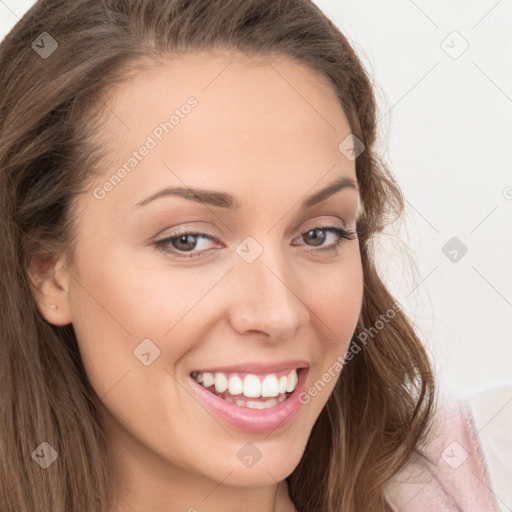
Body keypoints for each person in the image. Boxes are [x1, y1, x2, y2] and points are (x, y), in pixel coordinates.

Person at [0, 1, 501, 511]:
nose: (277, 313)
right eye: (188, 240)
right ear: (48, 272)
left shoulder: (484, 474)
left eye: (319, 234)